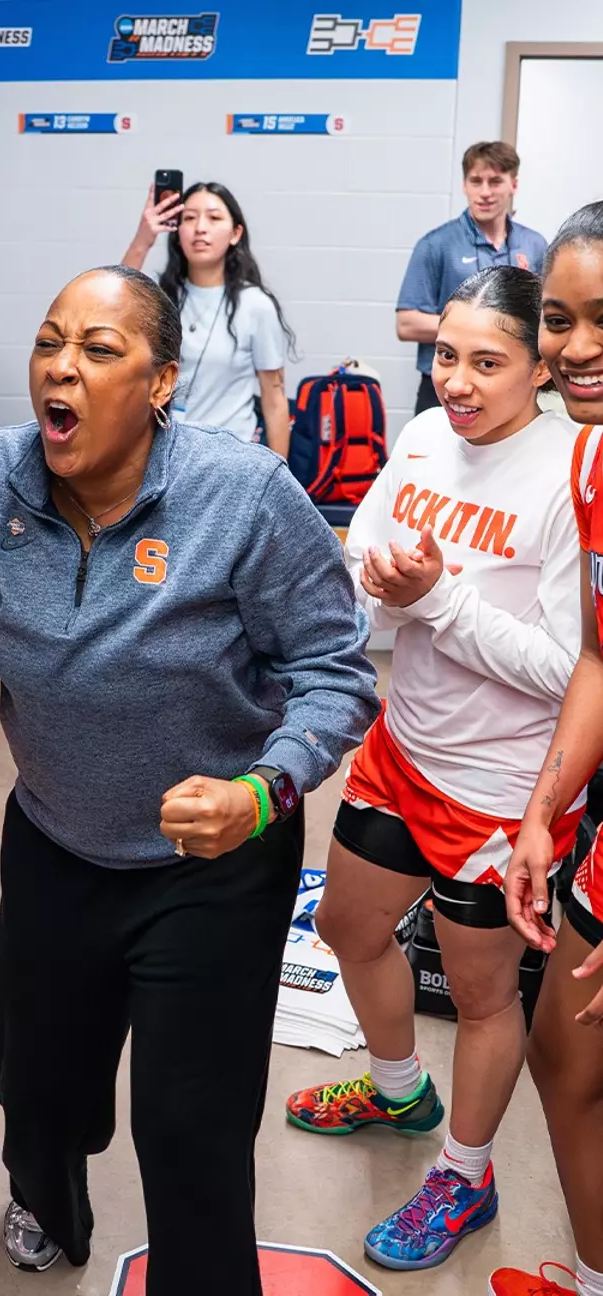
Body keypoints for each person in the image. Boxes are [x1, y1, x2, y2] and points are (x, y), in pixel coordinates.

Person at [0, 263, 379, 1294]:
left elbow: (336, 675)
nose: (63, 367)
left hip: (213, 863)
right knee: (34, 1080)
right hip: (55, 839)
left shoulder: (244, 497)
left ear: (162, 383)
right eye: (52, 342)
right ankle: (48, 1201)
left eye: (100, 351)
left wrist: (263, 792)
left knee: (192, 1126)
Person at [285, 265, 582, 1272]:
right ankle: (399, 1089)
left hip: (502, 793)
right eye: (445, 356)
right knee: (347, 923)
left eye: (487, 362)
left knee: (483, 994)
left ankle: (467, 1173)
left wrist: (437, 602)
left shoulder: (570, 473)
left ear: (541, 367)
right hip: (403, 749)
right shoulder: (420, 436)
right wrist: (376, 585)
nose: (457, 381)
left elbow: (567, 671)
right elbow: (368, 539)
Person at [491, 203, 603, 1296]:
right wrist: (541, 811)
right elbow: (600, 661)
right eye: (562, 320)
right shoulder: (593, 462)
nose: (577, 348)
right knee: (566, 1055)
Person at [122, 181, 294, 454]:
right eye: (189, 218)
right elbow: (112, 305)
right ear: (177, 231)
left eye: (214, 218)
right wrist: (144, 239)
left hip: (230, 457)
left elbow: (274, 401)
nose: (200, 227)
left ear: (236, 233)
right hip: (162, 454)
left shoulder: (256, 305)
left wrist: (279, 478)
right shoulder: (157, 296)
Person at [397, 141, 547, 415]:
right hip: (445, 389)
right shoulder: (436, 244)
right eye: (476, 181)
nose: (485, 192)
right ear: (465, 185)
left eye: (495, 181)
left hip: (515, 388)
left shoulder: (534, 245)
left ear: (513, 184)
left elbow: (547, 317)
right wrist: (478, 330)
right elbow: (407, 324)